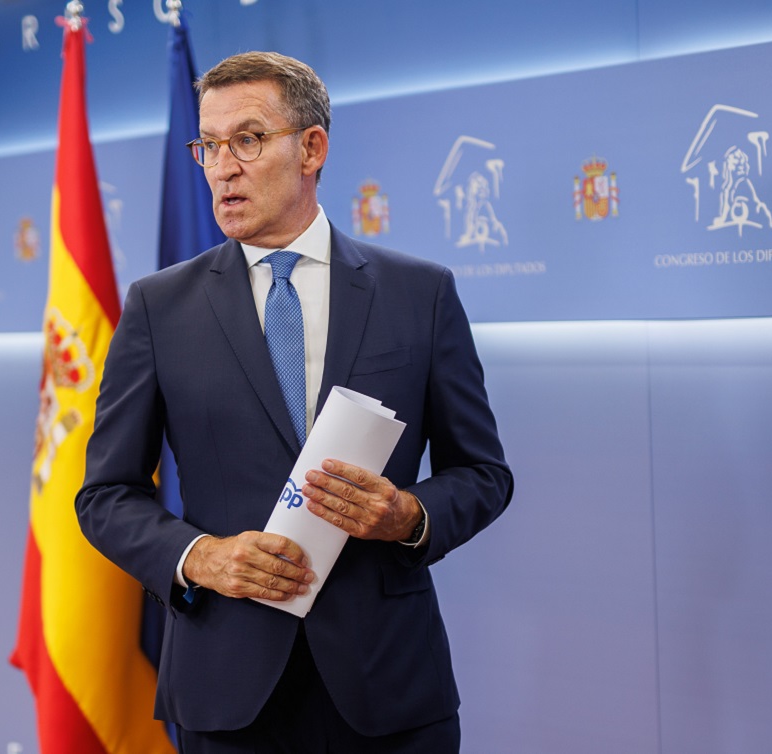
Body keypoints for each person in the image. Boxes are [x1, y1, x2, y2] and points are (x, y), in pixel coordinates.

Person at [76, 51, 512, 753]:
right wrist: (198, 556)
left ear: (312, 148)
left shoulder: (419, 295)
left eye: (246, 139)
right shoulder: (158, 307)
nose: (222, 167)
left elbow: (485, 476)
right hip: (226, 692)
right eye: (208, 146)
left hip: (391, 690)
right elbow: (105, 495)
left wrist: (410, 515)